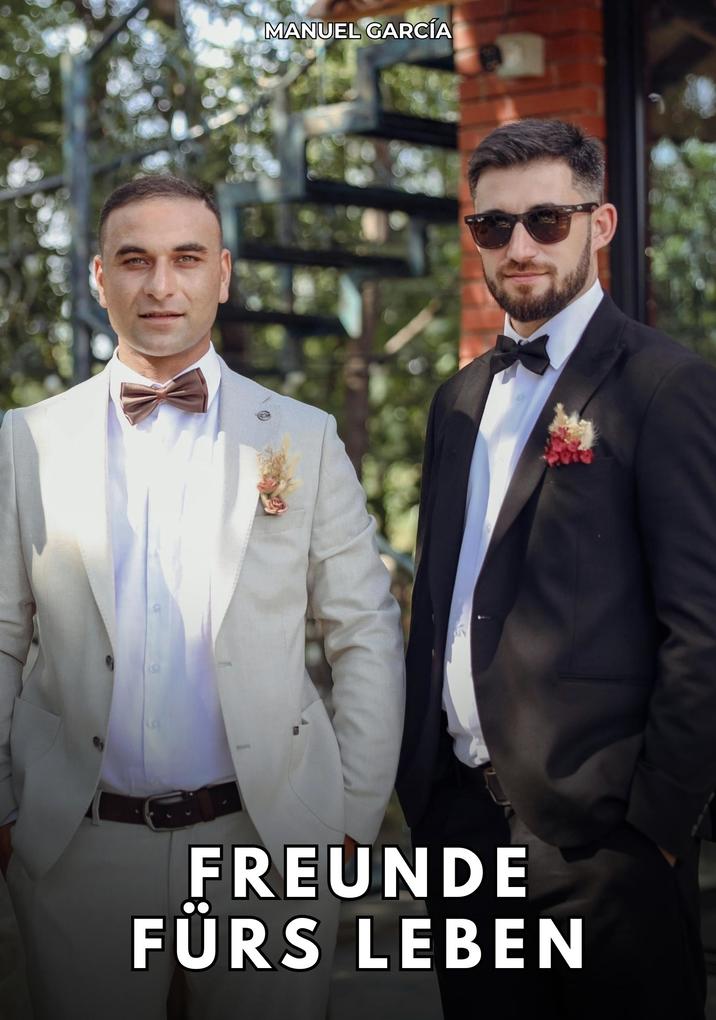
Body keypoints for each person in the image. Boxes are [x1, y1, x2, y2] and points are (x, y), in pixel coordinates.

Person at [0, 174, 405, 1020]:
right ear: (98, 277)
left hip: (268, 845)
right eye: (134, 260)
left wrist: (352, 821)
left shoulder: (303, 437)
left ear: (222, 274)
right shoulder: (25, 439)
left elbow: (364, 631)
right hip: (79, 848)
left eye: (187, 258)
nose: (161, 284)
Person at [397, 118, 716, 1019]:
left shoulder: (665, 386)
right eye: (494, 226)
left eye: (546, 219)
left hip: (602, 847)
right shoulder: (457, 400)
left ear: (599, 224)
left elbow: (702, 629)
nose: (520, 246)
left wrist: (656, 828)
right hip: (460, 834)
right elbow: (442, 603)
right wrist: (424, 795)